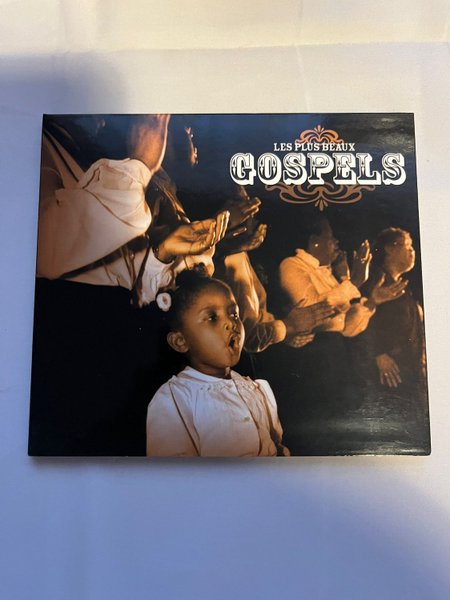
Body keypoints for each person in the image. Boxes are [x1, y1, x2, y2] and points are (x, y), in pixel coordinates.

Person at [29, 114, 229, 456]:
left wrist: (162, 255)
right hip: (76, 345)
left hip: (120, 343)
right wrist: (140, 164)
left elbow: (129, 281)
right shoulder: (37, 142)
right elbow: (41, 245)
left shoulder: (86, 150)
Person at [268, 217, 407, 455]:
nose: (336, 243)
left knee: (336, 436)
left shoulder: (326, 273)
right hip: (309, 363)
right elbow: (313, 313)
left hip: (334, 360)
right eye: (330, 237)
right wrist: (354, 282)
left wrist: (371, 300)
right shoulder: (292, 266)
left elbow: (346, 327)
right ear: (314, 242)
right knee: (314, 437)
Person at [146, 270, 289, 457]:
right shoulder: (175, 399)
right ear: (180, 341)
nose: (231, 323)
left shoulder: (256, 389)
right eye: (212, 318)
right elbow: (174, 471)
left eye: (234, 314)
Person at [351, 228, 430, 453]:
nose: (413, 251)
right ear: (389, 249)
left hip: (409, 375)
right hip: (388, 380)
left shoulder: (402, 287)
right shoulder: (374, 281)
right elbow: (357, 320)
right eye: (407, 246)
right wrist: (377, 354)